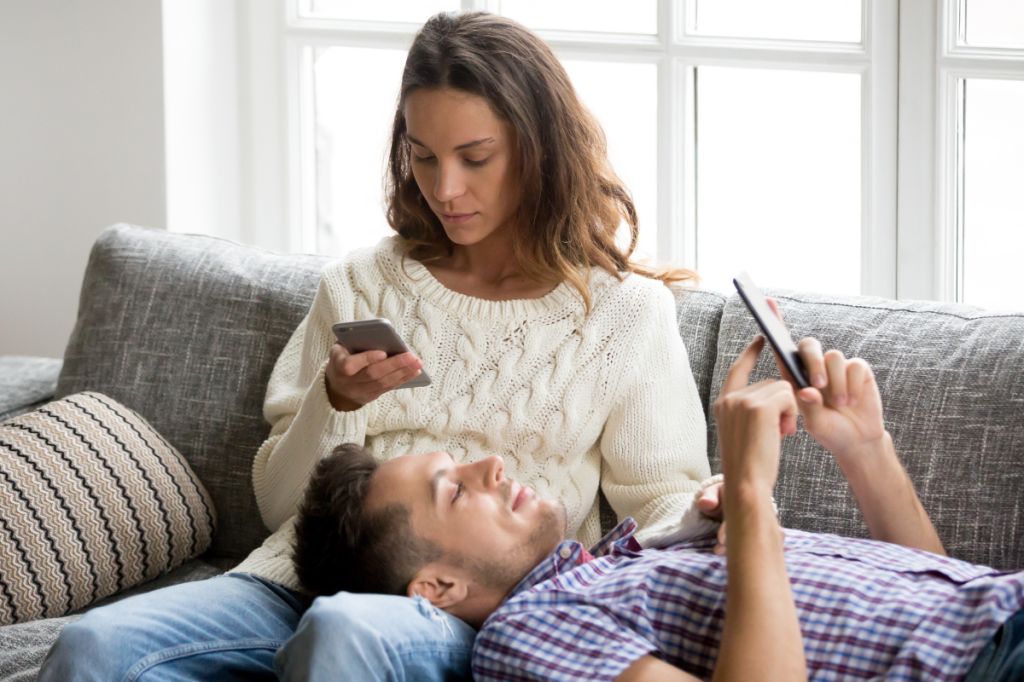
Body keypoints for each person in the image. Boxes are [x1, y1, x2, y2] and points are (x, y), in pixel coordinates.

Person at [40, 10, 723, 681]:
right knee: (93, 646)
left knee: (344, 632)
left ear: (540, 149)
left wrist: (712, 509)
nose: (445, 189)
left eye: (475, 158)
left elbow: (660, 497)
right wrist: (333, 401)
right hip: (292, 584)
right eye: (423, 157)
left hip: (466, 607)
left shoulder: (625, 313)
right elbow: (283, 508)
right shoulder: (362, 285)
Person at [293, 336, 1024, 681]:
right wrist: (749, 496)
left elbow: (947, 599)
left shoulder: (636, 554)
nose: (491, 465)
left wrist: (866, 450)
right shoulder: (527, 635)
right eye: (454, 489)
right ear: (438, 587)